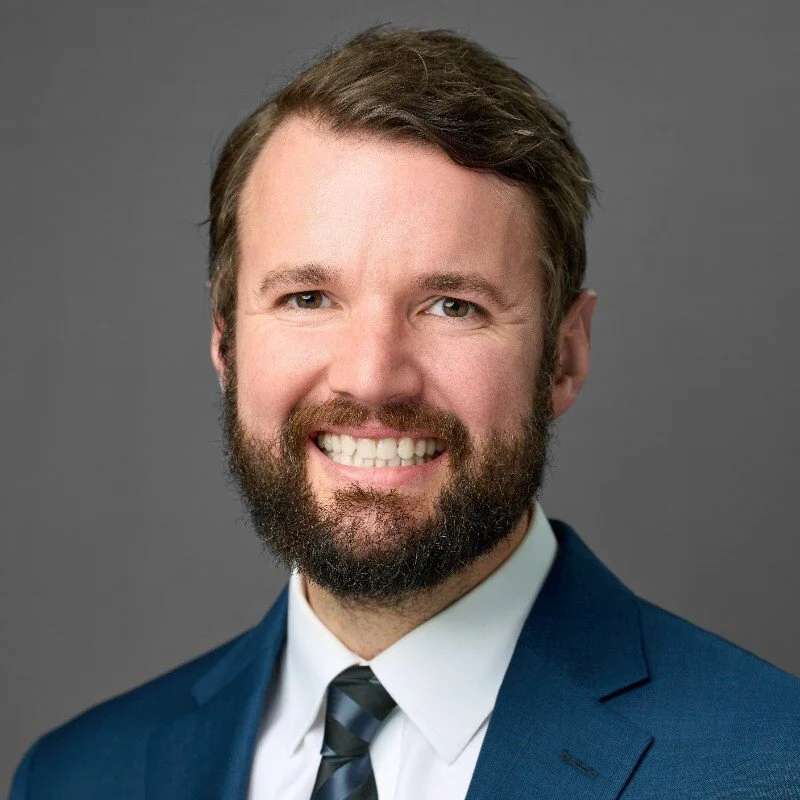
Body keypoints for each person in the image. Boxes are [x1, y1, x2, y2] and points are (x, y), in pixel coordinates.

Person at [11, 25, 799, 800]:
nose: (372, 379)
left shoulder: (772, 767)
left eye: (452, 305)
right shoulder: (76, 778)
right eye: (308, 298)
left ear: (564, 356)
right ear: (226, 343)